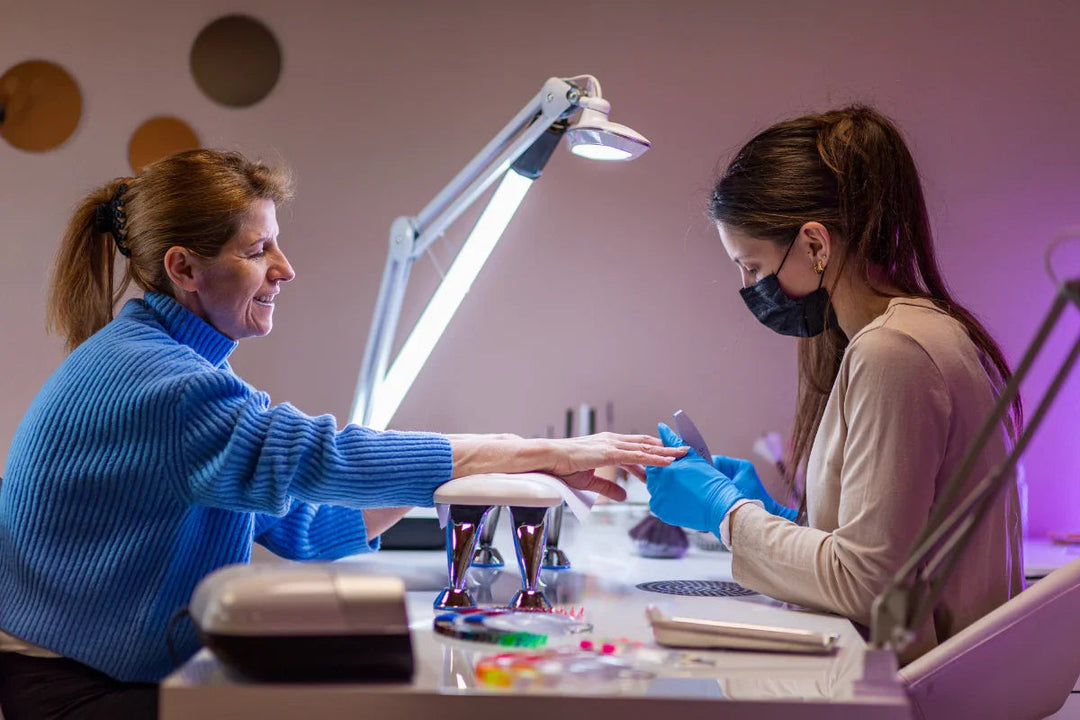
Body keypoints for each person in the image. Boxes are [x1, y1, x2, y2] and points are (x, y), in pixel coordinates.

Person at [0, 149, 685, 719]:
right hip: (73, 689)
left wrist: (489, 471)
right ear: (184, 269)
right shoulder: (168, 385)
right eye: (258, 249)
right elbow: (323, 456)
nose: (285, 268)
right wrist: (536, 451)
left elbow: (309, 529)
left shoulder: (171, 367)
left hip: (90, 671)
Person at [642, 105, 1024, 663]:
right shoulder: (916, 331)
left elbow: (868, 585)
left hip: (920, 686)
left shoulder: (893, 351)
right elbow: (884, 550)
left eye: (752, 267)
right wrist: (775, 518)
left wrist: (727, 515)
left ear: (816, 246)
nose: (747, 287)